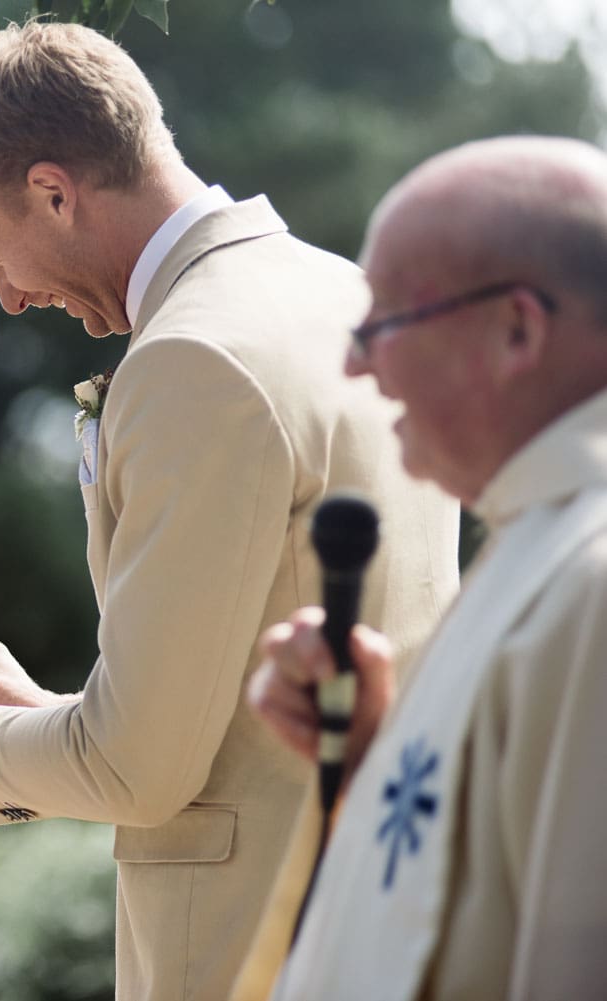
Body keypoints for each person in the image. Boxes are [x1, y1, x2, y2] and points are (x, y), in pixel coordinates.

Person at [0, 22, 460, 1000]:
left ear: (54, 190)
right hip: (399, 908)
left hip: (257, 943)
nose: (11, 296)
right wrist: (38, 710)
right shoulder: (346, 295)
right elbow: (218, 720)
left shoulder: (192, 357)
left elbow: (137, 773)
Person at [249, 135, 607, 1001]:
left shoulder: (593, 578)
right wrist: (374, 746)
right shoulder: (538, 540)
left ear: (516, 328)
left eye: (385, 323)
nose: (354, 361)